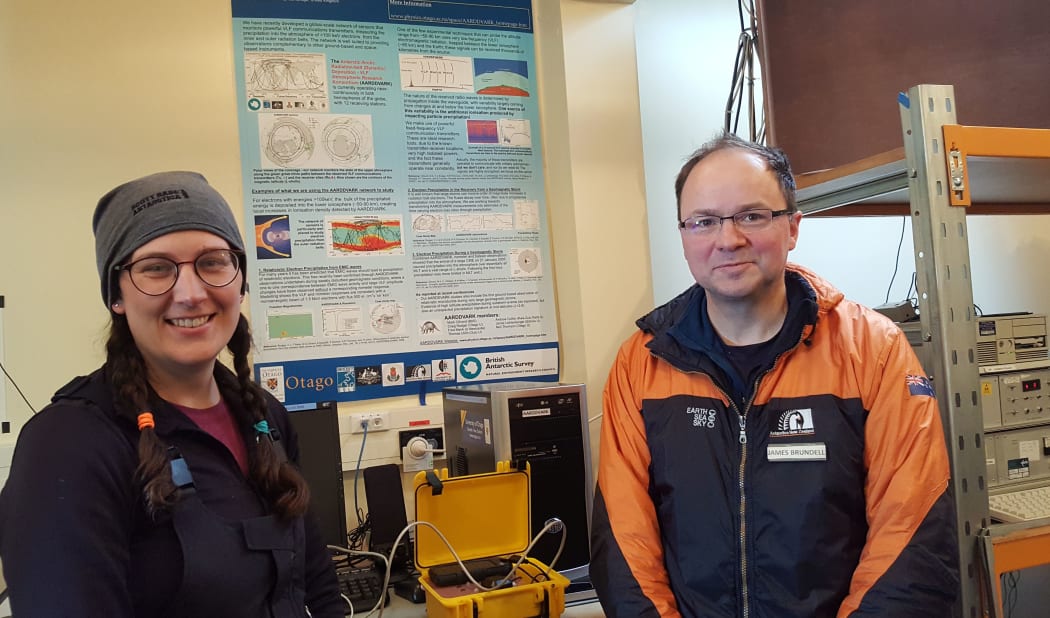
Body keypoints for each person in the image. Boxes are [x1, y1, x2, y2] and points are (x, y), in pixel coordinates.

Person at [590, 134, 959, 617]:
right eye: (704, 221)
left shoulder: (874, 351)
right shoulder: (642, 363)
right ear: (684, 235)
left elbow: (912, 536)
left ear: (793, 228)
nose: (728, 239)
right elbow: (624, 544)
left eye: (752, 216)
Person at [0, 172, 343, 617]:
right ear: (116, 295)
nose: (190, 292)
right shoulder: (68, 446)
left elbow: (316, 580)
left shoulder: (265, 418)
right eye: (156, 268)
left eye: (213, 261)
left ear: (239, 280)